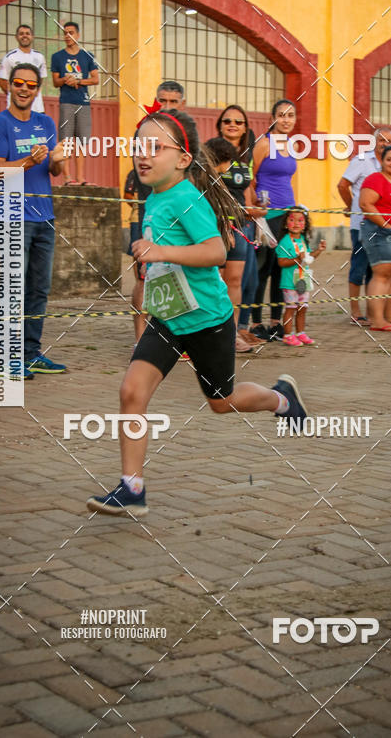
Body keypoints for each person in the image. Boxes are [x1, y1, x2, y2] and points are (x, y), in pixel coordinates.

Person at [86, 109, 308, 517]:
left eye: (156, 147)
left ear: (183, 159)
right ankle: (132, 488)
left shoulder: (187, 197)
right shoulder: (155, 196)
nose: (143, 154)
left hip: (207, 320)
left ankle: (281, 398)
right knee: (131, 392)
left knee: (222, 402)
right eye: (139, 146)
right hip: (169, 318)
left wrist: (161, 252)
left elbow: (215, 252)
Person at [0, 63, 69, 378]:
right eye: (19, 83)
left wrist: (58, 161)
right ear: (9, 86)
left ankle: (30, 354)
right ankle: (7, 358)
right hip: (13, 218)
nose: (24, 89)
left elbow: (54, 171)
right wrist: (28, 161)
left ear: (38, 90)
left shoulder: (46, 122)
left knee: (38, 290)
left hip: (45, 217)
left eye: (31, 85)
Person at [126, 81, 186, 343]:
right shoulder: (144, 132)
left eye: (173, 102)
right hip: (148, 215)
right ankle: (141, 341)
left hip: (179, 219)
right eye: (163, 101)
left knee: (175, 276)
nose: (167, 106)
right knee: (143, 278)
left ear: (182, 104)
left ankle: (172, 338)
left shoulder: (185, 136)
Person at [213, 105, 264, 347]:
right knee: (217, 280)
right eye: (227, 121)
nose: (232, 125)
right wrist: (224, 222)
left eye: (238, 122)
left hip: (242, 225)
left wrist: (254, 211)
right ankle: (211, 333)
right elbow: (207, 191)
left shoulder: (245, 158)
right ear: (220, 125)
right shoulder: (211, 153)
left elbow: (245, 192)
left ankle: (231, 334)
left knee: (236, 281)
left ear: (245, 129)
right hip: (217, 224)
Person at [250, 99, 298, 342]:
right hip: (266, 216)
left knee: (282, 269)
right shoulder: (263, 143)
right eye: (281, 115)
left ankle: (276, 323)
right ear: (272, 118)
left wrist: (296, 212)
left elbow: (288, 179)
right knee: (262, 270)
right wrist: (255, 207)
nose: (286, 120)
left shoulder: (292, 144)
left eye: (290, 115)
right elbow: (250, 178)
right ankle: (255, 323)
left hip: (287, 215)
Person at [337, 127, 391, 324]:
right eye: (382, 140)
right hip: (361, 224)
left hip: (381, 225)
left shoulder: (390, 164)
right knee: (359, 266)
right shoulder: (361, 160)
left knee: (375, 269)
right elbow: (342, 185)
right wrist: (350, 206)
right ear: (374, 142)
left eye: (389, 141)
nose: (385, 144)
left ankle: (372, 313)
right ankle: (355, 312)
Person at [359, 144, 391, 332]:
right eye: (389, 159)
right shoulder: (375, 179)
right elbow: (365, 204)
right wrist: (386, 225)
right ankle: (377, 320)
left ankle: (390, 316)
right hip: (383, 233)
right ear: (382, 161)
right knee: (382, 276)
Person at [51, 22, 99, 186]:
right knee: (65, 141)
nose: (68, 36)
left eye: (71, 32)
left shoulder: (87, 55)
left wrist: (78, 81)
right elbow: (55, 82)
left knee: (81, 142)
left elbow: (95, 79)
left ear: (78, 35)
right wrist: (66, 79)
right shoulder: (57, 57)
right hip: (66, 101)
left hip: (83, 102)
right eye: (65, 33)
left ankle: (80, 178)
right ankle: (67, 178)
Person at [276, 206, 326, 346]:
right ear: (286, 224)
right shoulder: (285, 242)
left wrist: (319, 250)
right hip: (289, 282)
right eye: (292, 220)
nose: (296, 223)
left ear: (305, 225)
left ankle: (300, 333)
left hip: (303, 280)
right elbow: (281, 262)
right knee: (290, 308)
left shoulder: (303, 240)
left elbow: (308, 258)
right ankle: (287, 335)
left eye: (300, 220)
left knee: (302, 308)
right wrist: (297, 259)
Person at [0, 25, 47, 113]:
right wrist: (17, 95)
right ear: (16, 37)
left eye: (27, 34)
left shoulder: (40, 57)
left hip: (37, 108)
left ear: (32, 37)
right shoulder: (9, 57)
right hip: (16, 108)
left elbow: (40, 80)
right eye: (21, 34)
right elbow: (2, 82)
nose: (24, 36)